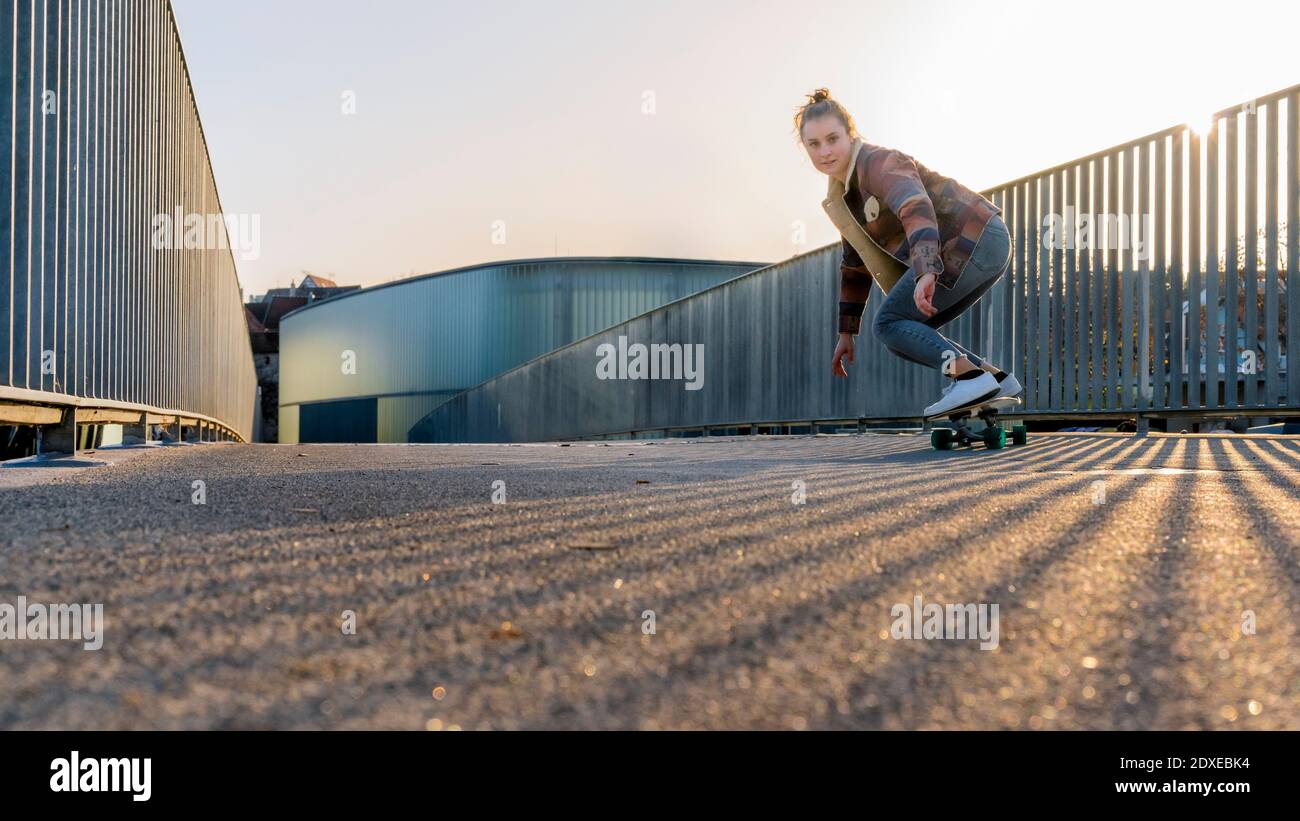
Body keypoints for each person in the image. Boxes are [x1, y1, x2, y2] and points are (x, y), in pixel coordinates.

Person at [795, 88, 1022, 417]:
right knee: (903, 334)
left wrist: (926, 269)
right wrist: (846, 332)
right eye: (814, 144)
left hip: (971, 238)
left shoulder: (878, 162)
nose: (825, 152)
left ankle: (970, 378)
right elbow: (855, 264)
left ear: (850, 134)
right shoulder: (842, 197)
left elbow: (914, 205)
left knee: (889, 323)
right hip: (977, 241)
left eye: (833, 138)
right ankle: (994, 379)